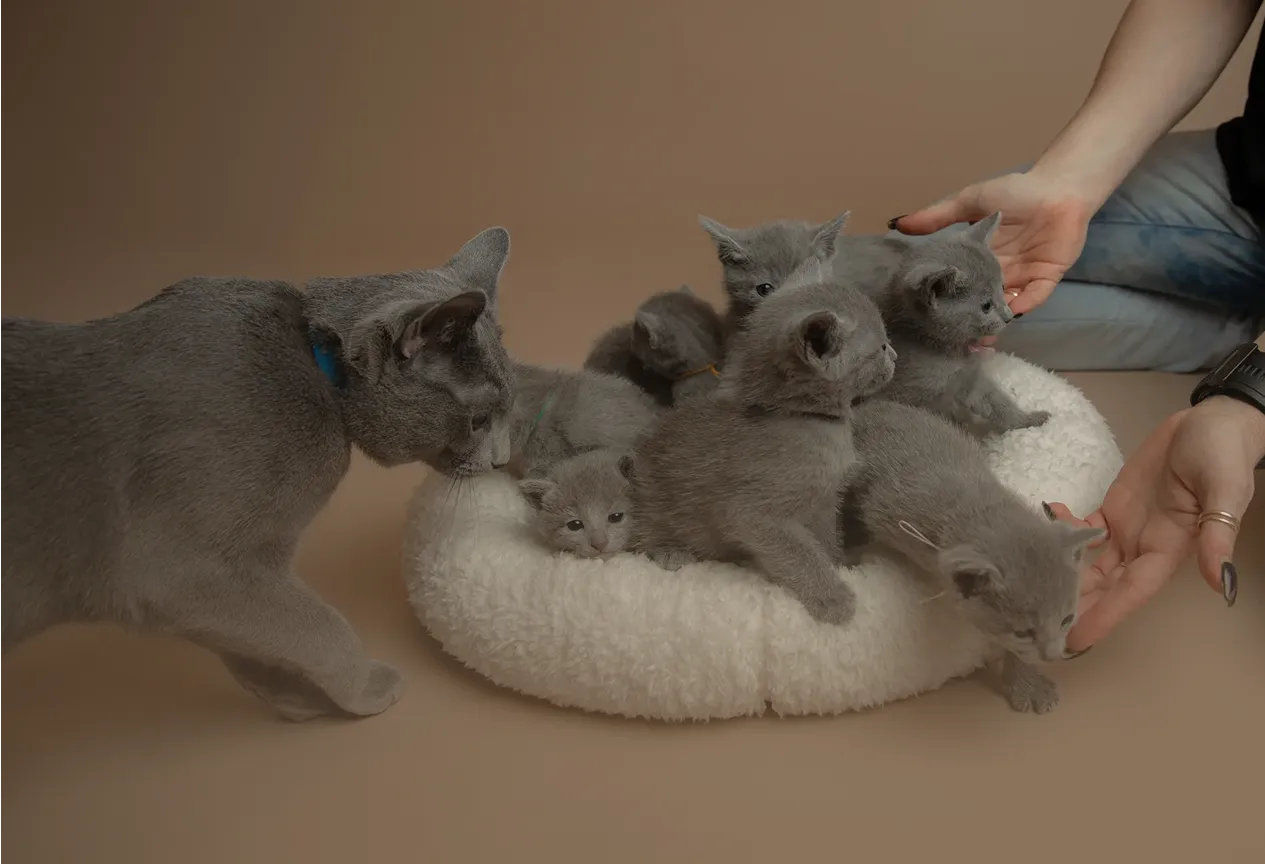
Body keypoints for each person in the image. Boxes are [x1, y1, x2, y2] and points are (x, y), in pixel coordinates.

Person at [890, 0, 1265, 650]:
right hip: (1246, 194)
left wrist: (1249, 396)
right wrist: (1068, 182)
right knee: (902, 296)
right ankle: (1233, 328)